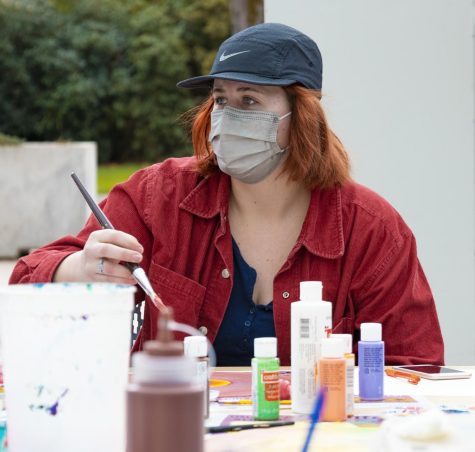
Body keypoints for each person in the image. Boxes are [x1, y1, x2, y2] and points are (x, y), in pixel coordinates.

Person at [9, 23, 444, 366]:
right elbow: (26, 277)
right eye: (220, 99)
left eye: (249, 100)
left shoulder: (369, 227)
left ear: (303, 116)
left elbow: (417, 365)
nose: (228, 117)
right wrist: (80, 267)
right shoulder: (156, 195)